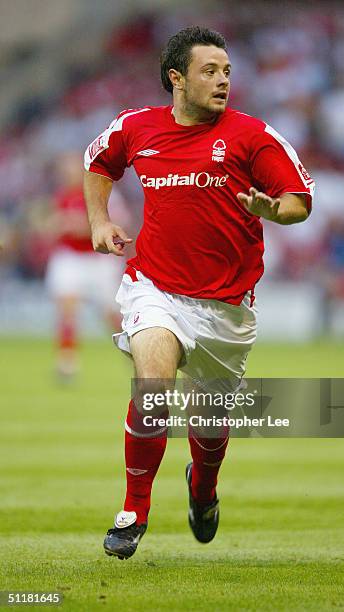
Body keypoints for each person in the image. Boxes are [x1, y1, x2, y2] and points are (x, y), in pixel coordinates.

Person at [83, 26, 315, 560]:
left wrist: (272, 210)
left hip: (227, 309)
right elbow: (98, 162)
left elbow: (299, 200)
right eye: (209, 71)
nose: (222, 81)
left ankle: (203, 489)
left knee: (209, 430)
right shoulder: (136, 127)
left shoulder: (251, 135)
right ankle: (133, 510)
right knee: (153, 388)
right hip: (155, 290)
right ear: (176, 78)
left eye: (227, 72)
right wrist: (99, 221)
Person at [46, 152, 127, 381]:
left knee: (111, 313)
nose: (67, 173)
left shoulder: (103, 191)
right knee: (67, 307)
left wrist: (80, 225)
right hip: (70, 256)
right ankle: (67, 362)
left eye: (71, 168)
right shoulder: (62, 195)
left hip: (99, 259)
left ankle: (134, 352)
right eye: (64, 170)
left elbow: (118, 224)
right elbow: (52, 224)